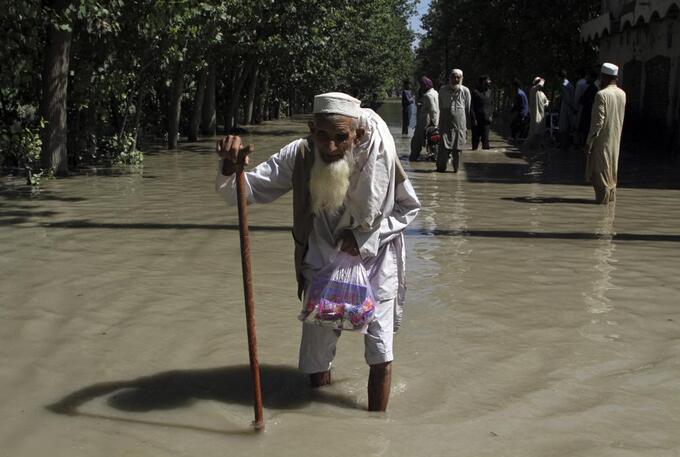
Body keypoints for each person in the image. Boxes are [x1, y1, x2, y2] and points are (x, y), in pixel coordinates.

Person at [215, 92, 421, 411]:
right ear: (312, 129)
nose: (331, 147)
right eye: (322, 135)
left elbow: (408, 209)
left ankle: (377, 429)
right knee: (316, 356)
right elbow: (242, 193)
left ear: (359, 134)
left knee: (380, 354)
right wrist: (231, 168)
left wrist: (366, 236)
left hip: (377, 266)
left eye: (341, 137)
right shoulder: (299, 155)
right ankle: (316, 415)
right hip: (321, 267)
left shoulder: (381, 158)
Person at [585, 63, 626, 204]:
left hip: (602, 142)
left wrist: (589, 142)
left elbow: (598, 122)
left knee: (600, 176)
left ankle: (601, 212)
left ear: (604, 77)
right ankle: (609, 213)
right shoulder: (622, 94)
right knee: (612, 176)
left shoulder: (601, 95)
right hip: (615, 142)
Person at [437, 68, 471, 172]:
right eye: (453, 77)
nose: (455, 79)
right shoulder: (442, 90)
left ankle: (456, 173)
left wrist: (467, 129)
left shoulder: (465, 91)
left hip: (459, 127)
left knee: (457, 152)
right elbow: (440, 107)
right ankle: (441, 170)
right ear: (449, 78)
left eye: (458, 77)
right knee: (443, 152)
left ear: (461, 79)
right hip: (445, 126)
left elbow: (467, 109)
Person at [409, 76, 439, 161]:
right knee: (432, 143)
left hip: (425, 123)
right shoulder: (435, 93)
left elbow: (433, 111)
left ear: (426, 85)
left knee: (416, 142)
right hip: (433, 122)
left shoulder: (427, 96)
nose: (421, 87)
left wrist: (434, 125)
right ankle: (434, 158)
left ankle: (413, 159)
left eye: (422, 85)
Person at [525, 77, 550, 149]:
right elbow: (539, 85)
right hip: (535, 116)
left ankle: (537, 148)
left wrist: (546, 104)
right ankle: (526, 148)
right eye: (538, 82)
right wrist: (542, 81)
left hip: (542, 117)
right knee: (533, 133)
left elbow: (547, 101)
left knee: (540, 134)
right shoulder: (533, 90)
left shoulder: (542, 93)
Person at [470, 75, 494, 150]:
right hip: (477, 121)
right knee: (475, 143)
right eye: (486, 82)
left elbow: (492, 105)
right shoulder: (475, 92)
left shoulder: (490, 92)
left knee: (486, 142)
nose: (488, 84)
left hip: (486, 121)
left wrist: (491, 115)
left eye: (489, 83)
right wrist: (473, 119)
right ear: (482, 83)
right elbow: (471, 107)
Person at [577, 70, 599, 146]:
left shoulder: (593, 89)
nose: (587, 78)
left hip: (589, 114)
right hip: (586, 113)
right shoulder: (590, 88)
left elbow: (583, 100)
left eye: (588, 77)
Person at [557, 70, 577, 150]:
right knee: (567, 127)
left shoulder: (564, 85)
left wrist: (572, 107)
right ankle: (565, 144)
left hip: (567, 107)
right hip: (568, 106)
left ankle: (564, 144)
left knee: (564, 127)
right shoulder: (568, 83)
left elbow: (567, 98)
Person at [574, 69, 589, 144]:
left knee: (578, 124)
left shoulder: (579, 83)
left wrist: (575, 107)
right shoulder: (587, 83)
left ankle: (577, 142)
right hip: (587, 107)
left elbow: (577, 96)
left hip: (580, 106)